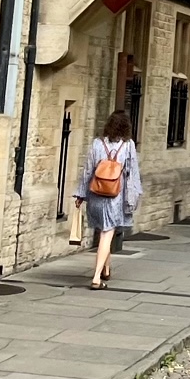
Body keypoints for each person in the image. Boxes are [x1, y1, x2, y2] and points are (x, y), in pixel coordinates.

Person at [74, 111, 142, 289]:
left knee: (104, 231)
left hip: (96, 195)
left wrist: (81, 194)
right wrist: (133, 198)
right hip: (114, 196)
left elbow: (88, 170)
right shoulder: (128, 145)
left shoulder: (97, 143)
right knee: (107, 233)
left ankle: (106, 268)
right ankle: (97, 277)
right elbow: (132, 173)